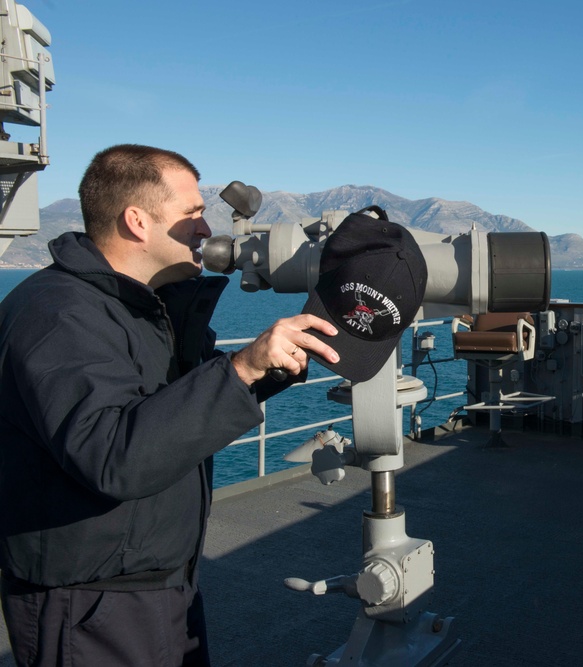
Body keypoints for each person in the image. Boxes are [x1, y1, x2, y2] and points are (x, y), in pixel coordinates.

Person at [0, 144, 340, 666]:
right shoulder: (57, 314)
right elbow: (113, 454)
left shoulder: (139, 308)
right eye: (192, 214)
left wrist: (269, 369)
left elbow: (173, 417)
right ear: (137, 221)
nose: (205, 230)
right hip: (90, 604)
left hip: (157, 585)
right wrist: (241, 368)